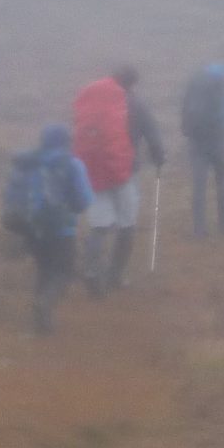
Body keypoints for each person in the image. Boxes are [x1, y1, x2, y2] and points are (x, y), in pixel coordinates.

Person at [72, 65, 165, 294]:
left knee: (100, 225)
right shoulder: (136, 103)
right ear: (132, 83)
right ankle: (115, 275)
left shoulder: (92, 100)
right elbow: (152, 133)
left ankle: (92, 273)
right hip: (125, 172)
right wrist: (158, 157)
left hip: (94, 170)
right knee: (126, 223)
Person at [11, 123, 93, 333]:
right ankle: (45, 304)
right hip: (62, 228)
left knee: (44, 270)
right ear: (66, 142)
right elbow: (83, 201)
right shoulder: (73, 164)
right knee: (64, 272)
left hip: (32, 227)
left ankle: (41, 323)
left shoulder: (28, 163)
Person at [180, 61, 224, 237]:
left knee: (199, 186)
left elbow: (185, 110)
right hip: (218, 142)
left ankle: (199, 229)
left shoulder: (194, 85)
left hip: (196, 142)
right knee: (222, 183)